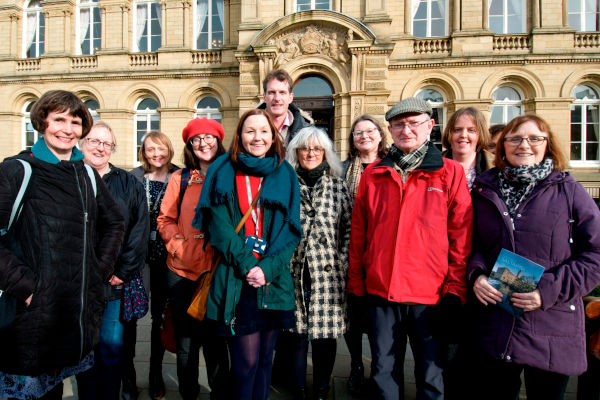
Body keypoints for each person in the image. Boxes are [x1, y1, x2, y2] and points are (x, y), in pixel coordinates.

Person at [0, 90, 125, 399]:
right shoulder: (17, 170)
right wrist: (27, 287)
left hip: (70, 315)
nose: (68, 129)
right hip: (27, 317)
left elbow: (115, 223)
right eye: (59, 120)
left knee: (54, 391)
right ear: (42, 123)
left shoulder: (85, 174)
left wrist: (98, 270)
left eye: (75, 121)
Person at [347, 97, 473, 400]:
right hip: (381, 292)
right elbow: (359, 235)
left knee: (431, 376)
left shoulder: (450, 172)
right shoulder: (373, 174)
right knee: (383, 374)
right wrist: (356, 286)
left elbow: (461, 235)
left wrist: (455, 289)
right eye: (399, 124)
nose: (407, 129)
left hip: (430, 295)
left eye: (414, 122)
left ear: (430, 126)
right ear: (390, 129)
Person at [469, 114, 600, 400]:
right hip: (499, 317)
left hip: (550, 319)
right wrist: (477, 275)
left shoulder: (569, 190)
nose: (524, 145)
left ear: (547, 144)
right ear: (502, 146)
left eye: (534, 138)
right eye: (514, 138)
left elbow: (595, 255)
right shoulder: (485, 189)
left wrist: (546, 292)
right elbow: (474, 244)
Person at [193, 108, 302, 400]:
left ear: (273, 135)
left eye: (264, 131)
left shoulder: (285, 172)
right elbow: (219, 227)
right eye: (250, 131)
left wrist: (267, 268)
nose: (258, 137)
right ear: (239, 135)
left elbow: (291, 230)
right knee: (246, 365)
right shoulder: (222, 170)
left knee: (266, 361)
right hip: (237, 278)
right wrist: (248, 264)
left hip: (273, 280)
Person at [156, 118, 229, 400]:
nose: (203, 143)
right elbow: (165, 219)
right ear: (189, 145)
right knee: (186, 341)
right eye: (196, 139)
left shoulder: (229, 175)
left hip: (216, 271)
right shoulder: (180, 178)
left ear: (218, 141)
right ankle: (188, 392)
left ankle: (220, 392)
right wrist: (178, 246)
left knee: (215, 340)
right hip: (181, 271)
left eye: (209, 137)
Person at [77, 121, 150, 399]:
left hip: (114, 283)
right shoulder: (71, 178)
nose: (101, 148)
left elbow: (139, 230)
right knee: (83, 353)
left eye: (107, 143)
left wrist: (123, 271)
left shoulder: (128, 182)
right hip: (79, 283)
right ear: (82, 144)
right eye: (95, 141)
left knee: (110, 349)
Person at [285, 127, 352, 400]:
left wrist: (343, 261)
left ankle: (323, 388)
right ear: (295, 152)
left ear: (325, 153)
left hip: (328, 274)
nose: (310, 153)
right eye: (304, 148)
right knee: (296, 335)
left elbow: (349, 228)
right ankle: (299, 388)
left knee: (326, 336)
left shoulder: (338, 185)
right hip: (295, 271)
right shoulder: (286, 186)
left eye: (316, 148)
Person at [341, 114, 387, 395]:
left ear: (380, 135)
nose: (364, 136)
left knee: (380, 318)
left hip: (381, 252)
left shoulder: (392, 166)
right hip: (349, 251)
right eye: (358, 133)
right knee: (352, 317)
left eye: (370, 131)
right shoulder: (345, 169)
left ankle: (381, 366)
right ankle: (356, 365)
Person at [131, 131, 179, 400]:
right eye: (150, 149)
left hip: (166, 259)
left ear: (169, 150)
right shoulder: (135, 178)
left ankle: (155, 375)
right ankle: (128, 377)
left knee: (159, 318)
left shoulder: (180, 176)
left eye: (161, 149)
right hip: (139, 259)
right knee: (131, 316)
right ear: (144, 152)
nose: (156, 154)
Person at [257, 69, 312, 145]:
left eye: (282, 93)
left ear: (290, 97)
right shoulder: (247, 128)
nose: (277, 98)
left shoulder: (306, 131)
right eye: (272, 92)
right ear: (264, 97)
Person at [441, 107, 492, 190]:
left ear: (480, 134)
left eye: (471, 130)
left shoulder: (496, 166)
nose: (463, 135)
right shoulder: (433, 166)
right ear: (449, 133)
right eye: (457, 130)